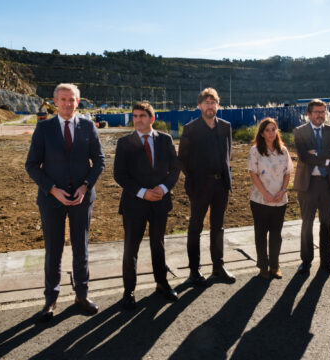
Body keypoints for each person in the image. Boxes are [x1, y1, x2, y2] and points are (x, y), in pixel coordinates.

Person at [25, 83, 105, 322]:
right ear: (55, 101)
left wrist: (85, 186)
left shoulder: (88, 126)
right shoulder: (44, 128)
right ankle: (50, 298)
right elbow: (31, 165)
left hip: (82, 198)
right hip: (52, 200)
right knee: (54, 249)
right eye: (63, 99)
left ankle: (82, 295)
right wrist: (52, 190)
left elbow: (99, 162)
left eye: (72, 100)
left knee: (81, 247)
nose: (68, 103)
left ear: (77, 102)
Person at [113, 102, 180, 309]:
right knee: (131, 248)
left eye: (142, 116)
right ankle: (129, 290)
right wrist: (143, 193)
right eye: (134, 116)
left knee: (157, 245)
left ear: (152, 119)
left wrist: (163, 188)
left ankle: (161, 283)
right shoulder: (124, 142)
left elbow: (175, 169)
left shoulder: (165, 139)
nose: (137, 119)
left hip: (160, 202)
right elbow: (119, 175)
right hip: (134, 204)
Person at [178, 88, 236, 286]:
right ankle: (194, 271)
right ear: (200, 106)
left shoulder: (226, 126)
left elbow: (228, 154)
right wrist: (194, 179)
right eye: (206, 102)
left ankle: (218, 267)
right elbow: (183, 160)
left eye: (213, 102)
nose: (210, 106)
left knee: (217, 227)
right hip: (200, 186)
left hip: (221, 184)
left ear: (217, 105)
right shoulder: (191, 129)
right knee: (195, 228)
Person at [293, 99, 330, 277]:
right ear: (309, 114)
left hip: (328, 184)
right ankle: (306, 261)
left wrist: (318, 153)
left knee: (327, 224)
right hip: (308, 185)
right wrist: (328, 156)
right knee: (307, 224)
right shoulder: (300, 132)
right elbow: (304, 156)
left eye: (323, 112)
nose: (320, 115)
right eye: (316, 112)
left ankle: (327, 262)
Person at [247, 118, 293, 279]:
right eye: (267, 130)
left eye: (273, 129)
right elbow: (252, 173)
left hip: (280, 200)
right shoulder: (255, 151)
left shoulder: (283, 150)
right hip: (260, 199)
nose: (271, 133)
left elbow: (288, 172)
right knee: (261, 234)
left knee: (276, 234)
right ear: (261, 133)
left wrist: (283, 191)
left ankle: (275, 265)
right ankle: (263, 266)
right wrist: (265, 194)